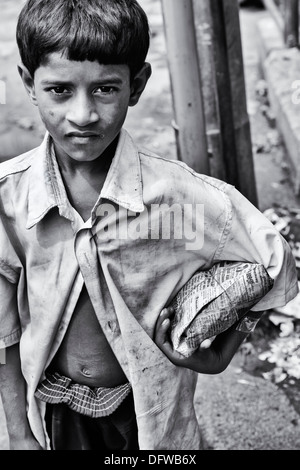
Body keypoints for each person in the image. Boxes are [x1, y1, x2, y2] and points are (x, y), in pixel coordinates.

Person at [0, 0, 298, 451]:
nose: (83, 114)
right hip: (55, 411)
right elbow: (3, 322)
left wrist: (222, 352)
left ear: (136, 85)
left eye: (105, 89)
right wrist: (19, 432)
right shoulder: (10, 196)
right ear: (29, 84)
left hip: (152, 417)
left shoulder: (179, 195)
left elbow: (275, 258)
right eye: (60, 90)